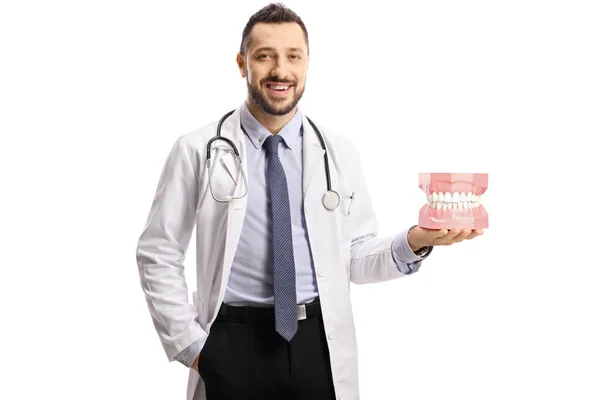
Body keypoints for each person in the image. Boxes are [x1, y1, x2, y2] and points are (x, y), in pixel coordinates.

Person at [135, 3, 483, 400]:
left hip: (318, 344)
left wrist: (416, 240)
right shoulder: (197, 149)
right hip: (232, 341)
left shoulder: (338, 152)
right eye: (264, 56)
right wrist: (194, 349)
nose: (280, 70)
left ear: (307, 63)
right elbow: (158, 251)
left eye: (292, 56)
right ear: (241, 63)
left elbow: (353, 258)